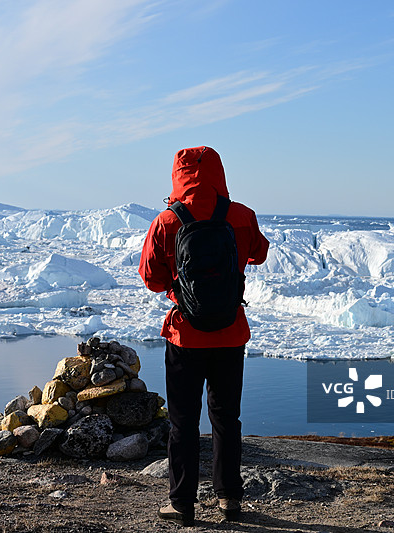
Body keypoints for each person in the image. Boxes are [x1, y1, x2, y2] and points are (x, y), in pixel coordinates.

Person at [138, 146, 269, 526]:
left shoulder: (167, 220)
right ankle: (230, 498)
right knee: (227, 418)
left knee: (183, 423)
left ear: (177, 174)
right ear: (219, 172)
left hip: (186, 336)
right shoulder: (241, 216)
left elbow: (151, 278)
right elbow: (258, 254)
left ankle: (182, 504)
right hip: (230, 332)